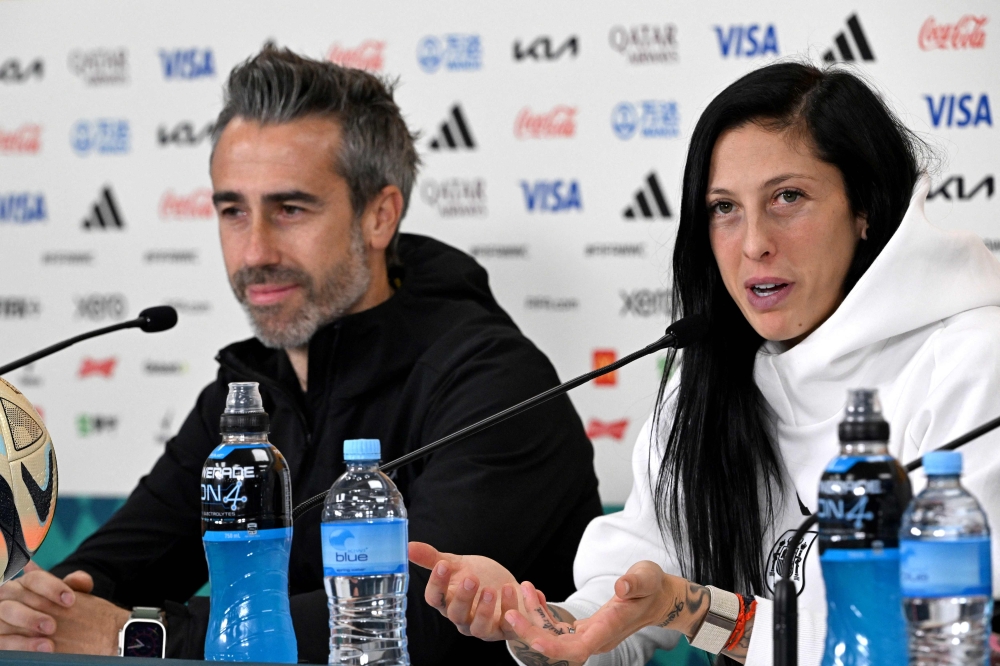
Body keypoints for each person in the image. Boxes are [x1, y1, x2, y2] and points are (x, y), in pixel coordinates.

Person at [0, 46, 603, 665]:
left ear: (379, 215)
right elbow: (120, 562)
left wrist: (135, 636)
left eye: (289, 209)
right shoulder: (249, 391)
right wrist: (47, 609)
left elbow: (402, 626)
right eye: (233, 210)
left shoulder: (496, 384)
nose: (254, 250)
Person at [410, 61, 1000, 665]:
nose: (753, 243)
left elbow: (927, 641)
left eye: (788, 197)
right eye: (724, 207)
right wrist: (538, 625)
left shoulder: (973, 361)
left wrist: (694, 609)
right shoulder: (710, 375)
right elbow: (626, 604)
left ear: (864, 209)